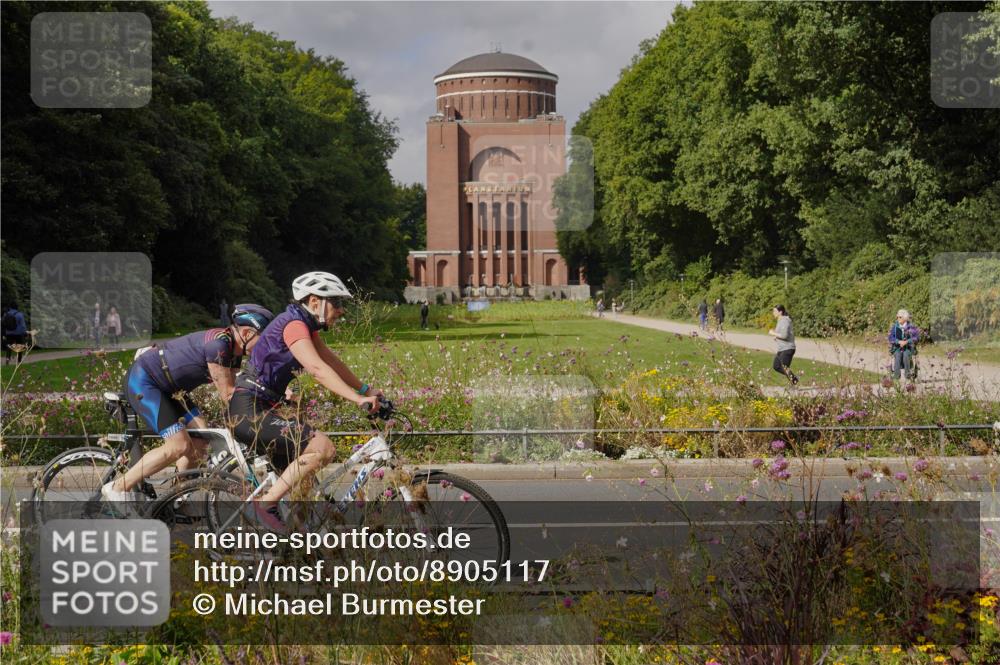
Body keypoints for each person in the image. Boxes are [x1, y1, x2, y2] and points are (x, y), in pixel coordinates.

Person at [228, 272, 382, 531]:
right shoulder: (294, 325)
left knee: (303, 490)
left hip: (264, 407)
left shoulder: (304, 326)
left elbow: (331, 361)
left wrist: (367, 389)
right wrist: (358, 399)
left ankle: (297, 548)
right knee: (322, 448)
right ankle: (265, 505)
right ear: (314, 302)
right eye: (335, 302)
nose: (341, 310)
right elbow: (317, 368)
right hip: (249, 410)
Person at [102, 304, 275, 504]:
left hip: (171, 389)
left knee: (201, 438)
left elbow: (239, 387)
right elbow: (228, 394)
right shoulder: (218, 346)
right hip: (145, 381)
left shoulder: (233, 350)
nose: (265, 348)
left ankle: (176, 497)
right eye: (263, 341)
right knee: (179, 445)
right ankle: (117, 488)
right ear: (246, 333)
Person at [768, 305, 798, 385]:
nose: (773, 313)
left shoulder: (785, 320)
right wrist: (776, 336)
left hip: (788, 348)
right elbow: (782, 334)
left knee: (784, 367)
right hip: (782, 348)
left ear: (780, 312)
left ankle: (794, 381)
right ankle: (794, 379)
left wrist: (773, 333)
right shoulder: (780, 320)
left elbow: (784, 336)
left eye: (775, 311)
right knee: (776, 366)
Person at [888, 309, 919, 381]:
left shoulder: (911, 326)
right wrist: (898, 341)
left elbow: (916, 337)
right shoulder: (895, 326)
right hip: (897, 347)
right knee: (898, 355)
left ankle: (908, 376)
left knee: (906, 355)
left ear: (905, 318)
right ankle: (896, 377)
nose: (897, 318)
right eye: (897, 317)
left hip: (908, 348)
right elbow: (890, 337)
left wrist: (907, 341)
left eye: (899, 317)